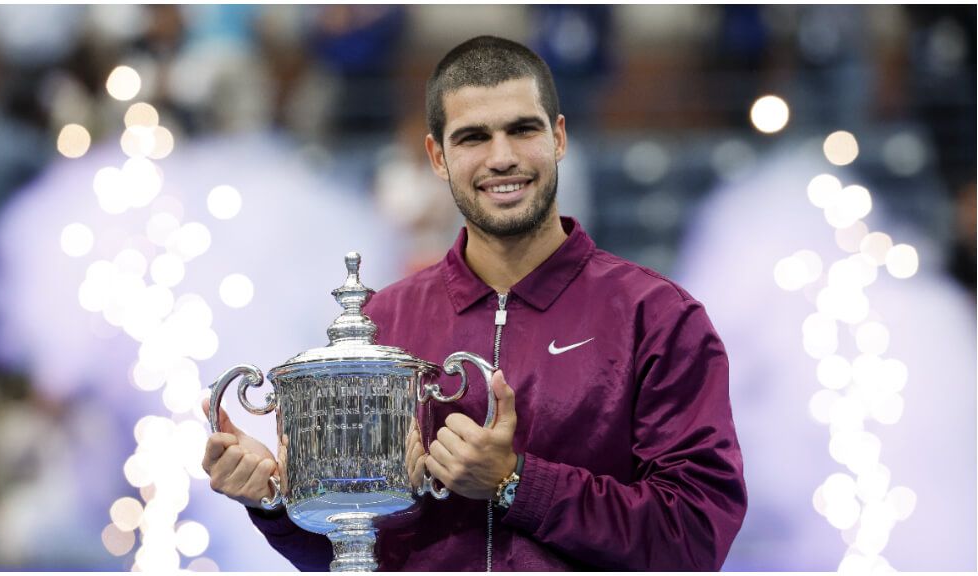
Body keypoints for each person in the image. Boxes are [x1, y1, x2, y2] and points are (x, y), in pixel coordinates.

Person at [202, 35, 747, 570]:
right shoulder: (383, 326)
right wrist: (272, 502)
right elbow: (353, 551)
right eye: (473, 137)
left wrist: (516, 483)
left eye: (523, 129)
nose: (502, 157)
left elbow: (696, 536)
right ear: (437, 156)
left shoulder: (655, 316)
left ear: (558, 138)